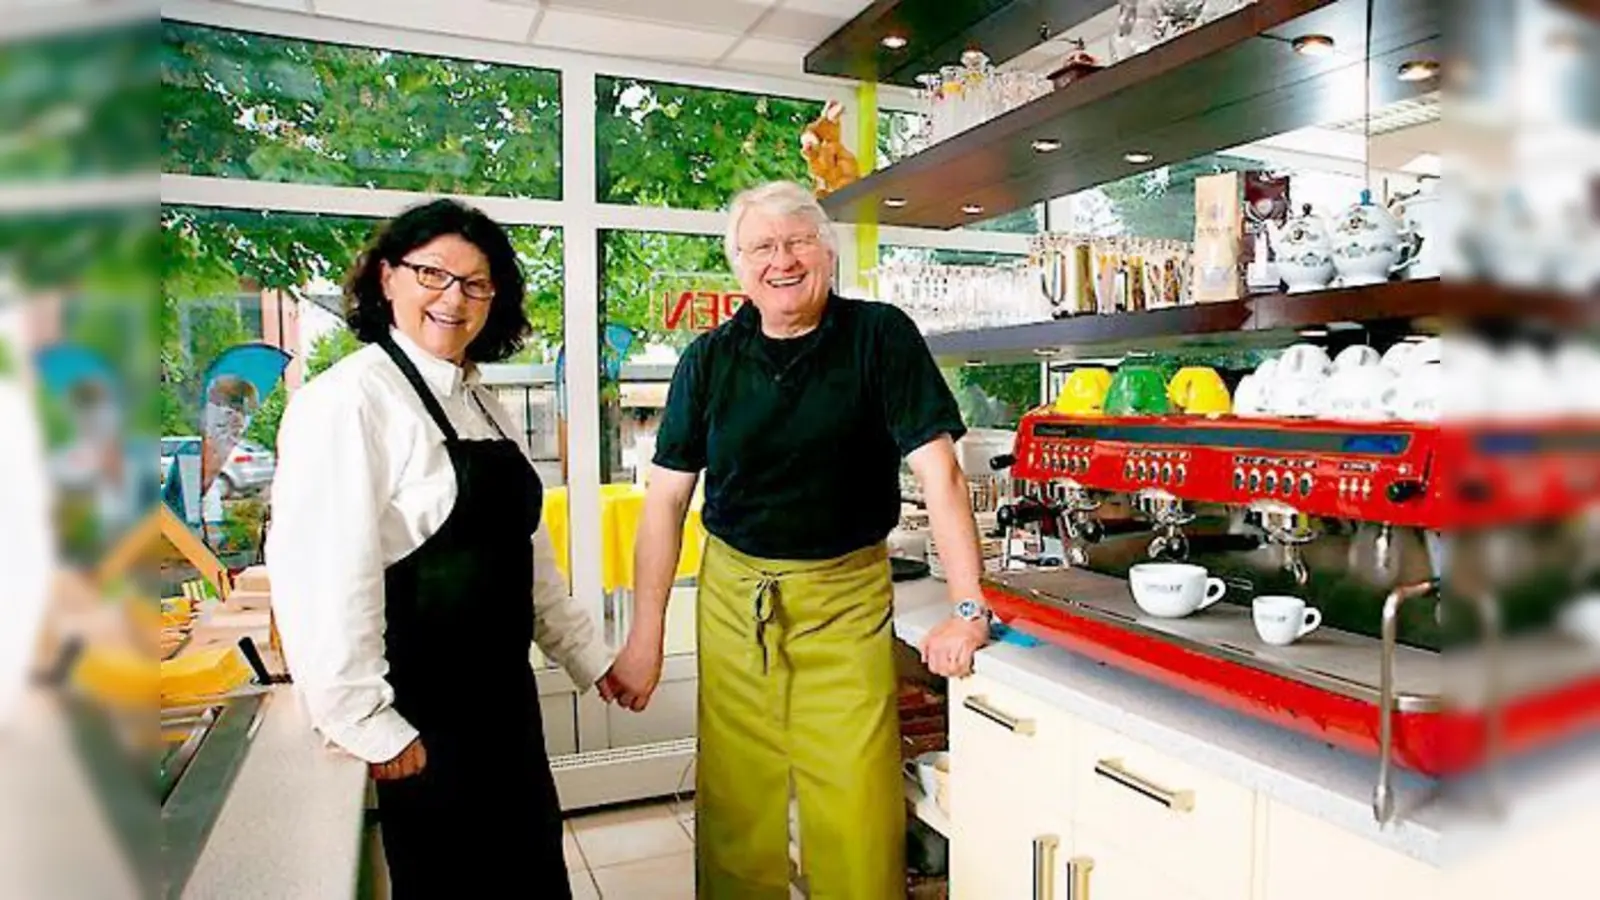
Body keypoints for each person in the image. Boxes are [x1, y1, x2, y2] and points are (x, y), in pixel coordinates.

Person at [601, 180, 993, 898]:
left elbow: (942, 474)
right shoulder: (709, 359)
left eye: (797, 241)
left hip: (846, 598)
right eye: (761, 247)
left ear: (827, 251)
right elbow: (665, 504)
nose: (781, 260)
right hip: (732, 596)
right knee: (737, 805)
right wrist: (644, 636)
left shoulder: (880, 336)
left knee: (855, 801)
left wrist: (968, 607)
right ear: (739, 267)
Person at [265, 198, 619, 899]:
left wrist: (586, 655)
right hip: (421, 721)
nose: (453, 299)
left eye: (475, 283)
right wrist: (365, 719)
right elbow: (323, 575)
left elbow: (529, 558)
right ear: (388, 278)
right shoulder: (348, 402)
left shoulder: (480, 400)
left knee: (532, 878)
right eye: (433, 275)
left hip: (504, 705)